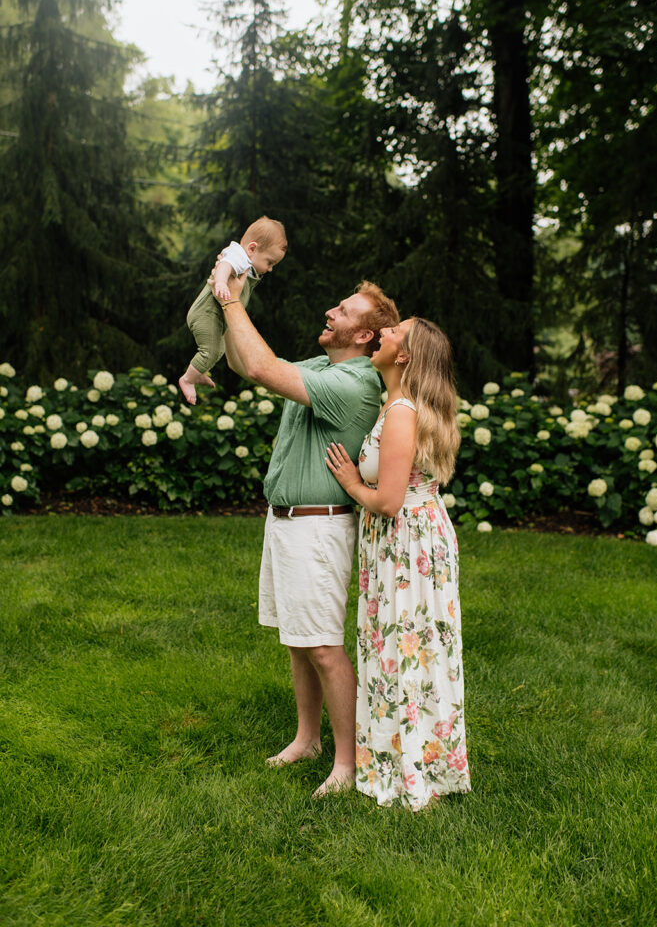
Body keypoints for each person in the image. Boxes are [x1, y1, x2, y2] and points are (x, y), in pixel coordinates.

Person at [216, 269, 400, 796]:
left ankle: (346, 764)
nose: (331, 313)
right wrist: (226, 299)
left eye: (342, 311)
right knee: (299, 642)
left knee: (323, 646)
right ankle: (307, 739)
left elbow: (259, 364)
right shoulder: (322, 364)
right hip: (288, 523)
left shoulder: (355, 382)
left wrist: (231, 295)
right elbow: (243, 362)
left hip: (320, 528)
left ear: (364, 335)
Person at [326, 317, 470, 811]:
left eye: (393, 331)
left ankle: (411, 770)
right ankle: (413, 758)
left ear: (404, 356)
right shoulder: (401, 405)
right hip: (411, 539)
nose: (383, 331)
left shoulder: (403, 411)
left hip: (405, 541)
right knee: (412, 647)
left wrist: (349, 481)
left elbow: (387, 500)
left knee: (404, 646)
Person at [179, 216, 287, 404]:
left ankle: (198, 372)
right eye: (269, 262)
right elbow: (224, 265)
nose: (270, 269)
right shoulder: (239, 257)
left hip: (214, 316)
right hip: (206, 314)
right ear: (252, 249)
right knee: (211, 350)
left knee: (218, 349)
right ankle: (187, 379)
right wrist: (220, 281)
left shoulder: (246, 261)